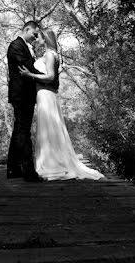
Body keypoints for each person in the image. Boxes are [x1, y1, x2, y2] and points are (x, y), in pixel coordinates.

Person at [19, 28, 104, 180]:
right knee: (47, 127)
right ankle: (48, 159)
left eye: (39, 37)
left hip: (46, 94)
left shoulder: (50, 55)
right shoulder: (48, 54)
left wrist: (29, 75)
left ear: (45, 39)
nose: (37, 39)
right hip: (43, 94)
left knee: (48, 127)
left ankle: (52, 163)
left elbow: (51, 77)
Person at [6, 21, 48, 181]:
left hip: (25, 95)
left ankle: (13, 169)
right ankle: (29, 172)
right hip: (21, 96)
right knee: (24, 132)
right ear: (27, 29)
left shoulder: (23, 46)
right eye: (35, 34)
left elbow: (29, 69)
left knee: (19, 130)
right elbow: (28, 69)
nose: (36, 37)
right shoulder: (16, 46)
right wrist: (48, 79)